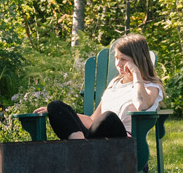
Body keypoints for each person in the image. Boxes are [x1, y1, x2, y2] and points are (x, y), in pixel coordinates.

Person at [35, 34, 164, 140]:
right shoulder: (115, 84)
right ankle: (80, 147)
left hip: (125, 144)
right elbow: (92, 120)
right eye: (116, 58)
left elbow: (141, 105)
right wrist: (63, 113)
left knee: (109, 118)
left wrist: (136, 73)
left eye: (123, 59)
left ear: (138, 60)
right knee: (55, 106)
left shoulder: (151, 87)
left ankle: (81, 149)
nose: (118, 64)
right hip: (97, 142)